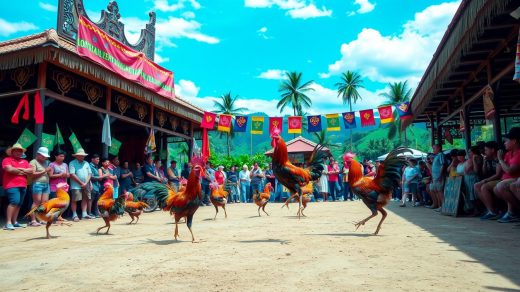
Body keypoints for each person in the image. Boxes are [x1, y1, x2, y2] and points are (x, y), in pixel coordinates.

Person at [2, 143, 33, 230]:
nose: (19, 152)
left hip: (23, 185)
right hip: (11, 185)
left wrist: (18, 170)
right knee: (14, 202)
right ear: (12, 151)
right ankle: (8, 223)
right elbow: (9, 169)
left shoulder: (25, 161)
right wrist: (24, 171)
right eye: (16, 150)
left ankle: (14, 222)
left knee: (19, 204)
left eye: (20, 151)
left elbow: (31, 171)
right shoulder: (7, 159)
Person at [493, 127, 520, 223]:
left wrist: (500, 160)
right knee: (497, 188)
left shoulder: (519, 153)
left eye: (506, 141)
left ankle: (514, 212)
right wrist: (499, 160)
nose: (504, 143)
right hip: (508, 178)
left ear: (514, 141)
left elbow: (509, 170)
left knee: (502, 186)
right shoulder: (508, 153)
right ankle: (512, 212)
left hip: (514, 178)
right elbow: (502, 169)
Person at [476, 141, 504, 220]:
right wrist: (485, 162)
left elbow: (498, 175)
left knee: (484, 186)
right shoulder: (489, 159)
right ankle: (490, 209)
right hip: (493, 179)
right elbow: (484, 172)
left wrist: (485, 180)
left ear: (492, 150)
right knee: (476, 185)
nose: (485, 152)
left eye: (486, 150)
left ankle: (493, 212)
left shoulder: (498, 158)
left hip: (501, 179)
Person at [28, 147, 51, 226]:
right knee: (36, 202)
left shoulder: (46, 162)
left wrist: (50, 171)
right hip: (37, 183)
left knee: (44, 203)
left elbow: (50, 174)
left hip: (46, 184)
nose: (44, 157)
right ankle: (33, 220)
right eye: (43, 156)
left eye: (45, 156)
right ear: (38, 154)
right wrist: (45, 170)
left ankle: (41, 219)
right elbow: (32, 175)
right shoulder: (33, 162)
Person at [69, 148, 92, 221]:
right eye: (81, 155)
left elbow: (90, 173)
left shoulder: (86, 163)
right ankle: (74, 215)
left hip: (86, 184)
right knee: (75, 199)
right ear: (76, 156)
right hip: (76, 185)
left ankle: (84, 214)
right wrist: (82, 183)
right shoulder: (72, 163)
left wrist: (86, 183)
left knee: (85, 198)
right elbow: (72, 174)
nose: (82, 157)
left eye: (83, 156)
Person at [427, 144, 447, 211]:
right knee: (436, 191)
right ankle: (439, 205)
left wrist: (440, 175)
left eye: (434, 148)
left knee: (440, 191)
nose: (433, 150)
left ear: (439, 148)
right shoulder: (437, 156)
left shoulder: (441, 155)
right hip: (435, 177)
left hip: (438, 177)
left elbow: (443, 165)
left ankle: (443, 206)